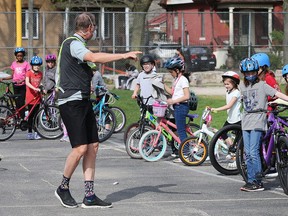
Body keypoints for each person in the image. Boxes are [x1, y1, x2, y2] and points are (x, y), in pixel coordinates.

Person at [54, 12, 141, 209]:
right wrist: (123, 54)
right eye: (94, 29)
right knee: (80, 148)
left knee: (93, 146)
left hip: (83, 101)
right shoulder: (73, 43)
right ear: (90, 28)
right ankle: (63, 188)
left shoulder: (79, 45)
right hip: (71, 102)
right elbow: (93, 57)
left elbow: (89, 64)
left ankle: (89, 195)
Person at [239, 57, 288, 192]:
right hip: (246, 120)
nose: (250, 76)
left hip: (258, 118)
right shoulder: (242, 86)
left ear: (257, 72)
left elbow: (277, 94)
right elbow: (239, 98)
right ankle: (250, 180)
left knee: (254, 151)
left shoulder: (262, 85)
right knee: (247, 152)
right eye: (247, 74)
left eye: (253, 73)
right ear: (244, 74)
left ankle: (258, 181)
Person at [251, 53, 280, 177]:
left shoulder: (268, 78)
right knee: (264, 138)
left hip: (269, 112)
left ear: (263, 67)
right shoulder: (261, 79)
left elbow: (273, 94)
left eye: (256, 68)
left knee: (269, 138)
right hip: (263, 111)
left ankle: (272, 164)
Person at [163, 56, 190, 163]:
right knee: (179, 129)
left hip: (181, 107)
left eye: (171, 71)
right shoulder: (176, 80)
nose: (171, 74)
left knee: (181, 131)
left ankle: (186, 154)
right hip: (177, 107)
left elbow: (186, 96)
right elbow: (172, 92)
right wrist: (163, 85)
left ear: (177, 70)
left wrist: (173, 101)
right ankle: (185, 152)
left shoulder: (183, 80)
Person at [211, 71, 241, 151]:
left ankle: (236, 154)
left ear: (234, 83)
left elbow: (229, 106)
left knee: (239, 140)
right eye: (225, 84)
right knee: (223, 133)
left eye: (228, 84)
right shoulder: (228, 92)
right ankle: (232, 147)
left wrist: (216, 109)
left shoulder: (236, 93)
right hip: (230, 119)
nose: (226, 86)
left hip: (237, 120)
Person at [0, 47, 30, 119]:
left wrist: (22, 80)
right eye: (18, 56)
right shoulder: (14, 64)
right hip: (15, 85)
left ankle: (22, 118)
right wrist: (3, 78)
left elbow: (27, 75)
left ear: (23, 56)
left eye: (21, 55)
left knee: (21, 102)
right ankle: (18, 117)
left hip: (22, 86)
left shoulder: (26, 64)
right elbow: (12, 76)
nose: (19, 57)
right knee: (16, 102)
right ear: (16, 56)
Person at [25, 56, 43, 140]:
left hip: (37, 98)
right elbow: (27, 82)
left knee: (37, 116)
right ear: (32, 65)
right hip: (30, 97)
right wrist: (34, 88)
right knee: (31, 116)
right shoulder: (29, 73)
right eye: (35, 65)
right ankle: (29, 132)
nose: (37, 66)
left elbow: (40, 83)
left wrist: (42, 88)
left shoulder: (40, 73)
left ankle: (36, 132)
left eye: (38, 65)